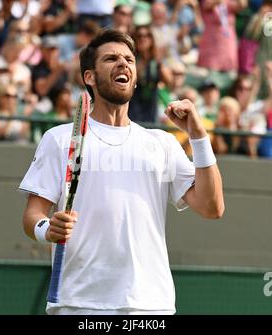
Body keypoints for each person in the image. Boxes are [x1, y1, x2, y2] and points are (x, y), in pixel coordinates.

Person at [19, 29, 224, 315]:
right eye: (111, 58)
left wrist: (199, 138)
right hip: (79, 305)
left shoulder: (162, 143)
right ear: (89, 77)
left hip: (151, 307)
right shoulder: (59, 139)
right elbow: (32, 216)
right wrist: (46, 229)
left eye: (129, 59)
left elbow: (212, 207)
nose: (123, 63)